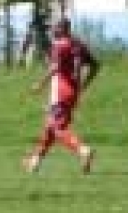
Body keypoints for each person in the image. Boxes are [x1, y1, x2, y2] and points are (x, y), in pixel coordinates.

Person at [23, 18, 100, 174]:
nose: (52, 30)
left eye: (54, 28)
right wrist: (83, 85)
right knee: (50, 128)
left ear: (61, 29)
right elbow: (95, 66)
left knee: (58, 128)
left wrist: (40, 84)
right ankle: (34, 161)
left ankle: (83, 150)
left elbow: (55, 67)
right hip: (73, 92)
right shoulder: (78, 44)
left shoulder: (59, 45)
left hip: (60, 93)